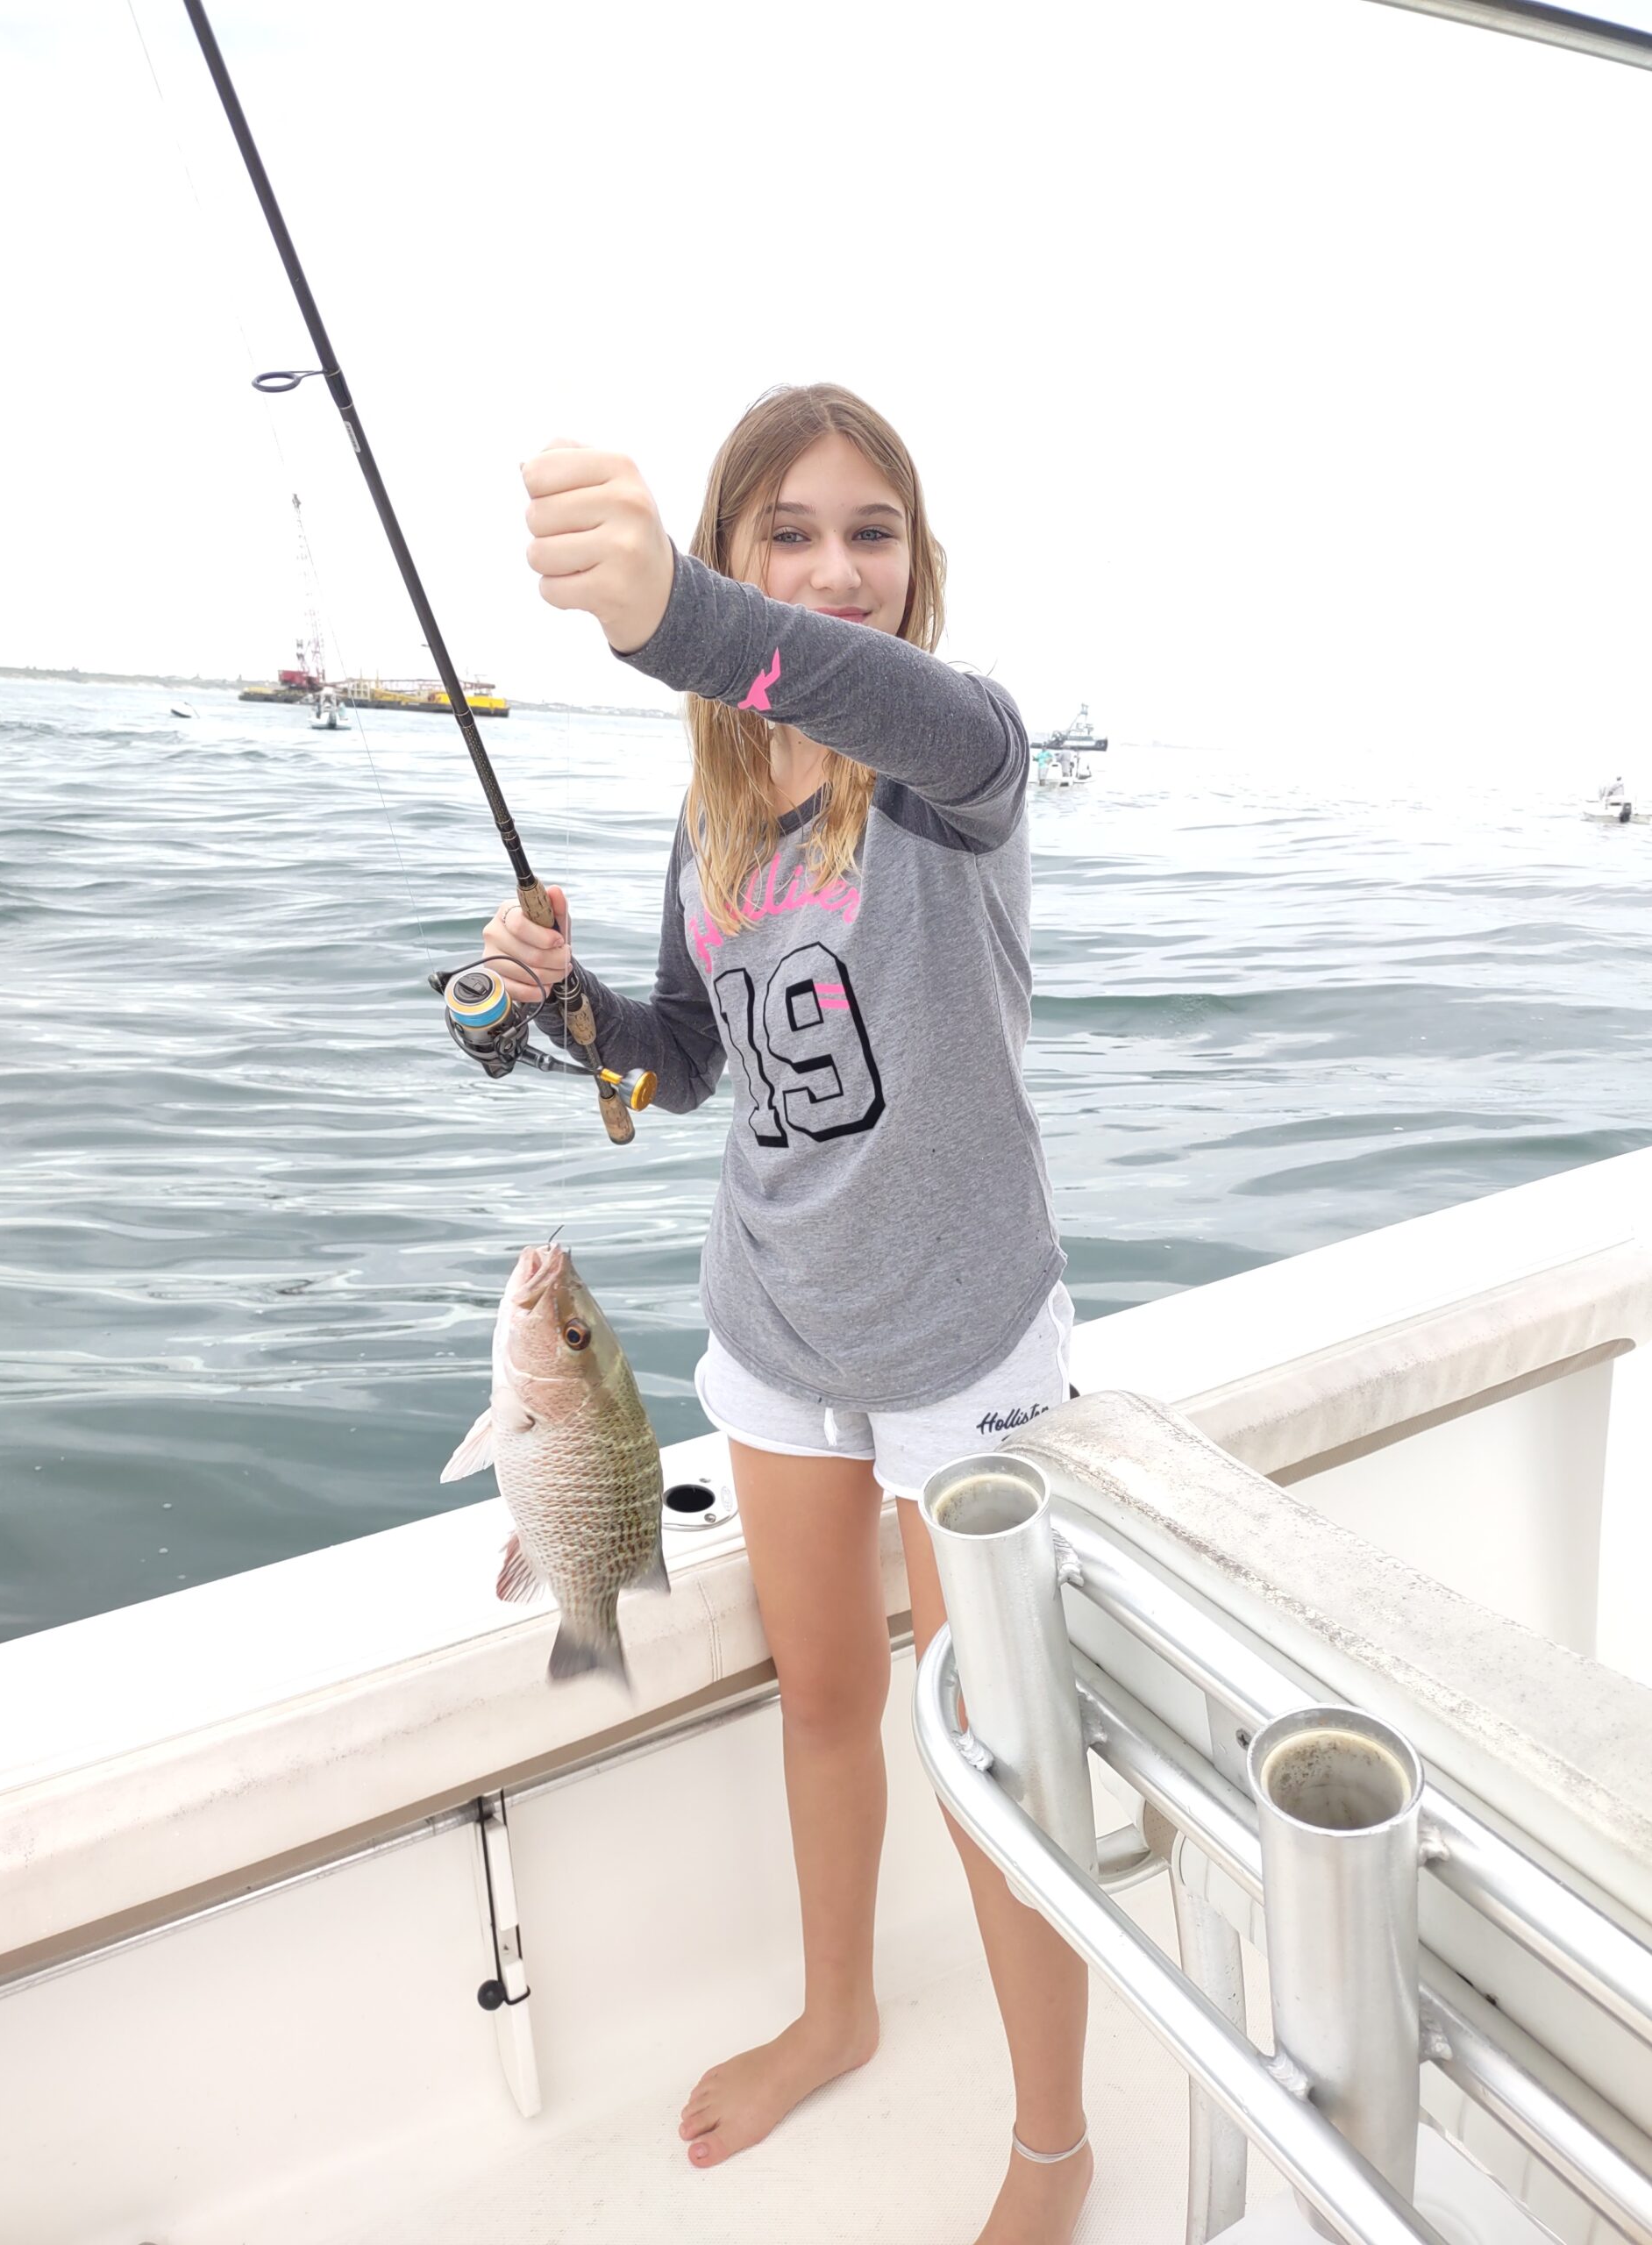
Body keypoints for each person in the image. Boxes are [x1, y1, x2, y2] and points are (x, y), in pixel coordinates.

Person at [487, 384, 1089, 2245]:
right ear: (753, 547)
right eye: (791, 534)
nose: (836, 564)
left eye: (872, 530)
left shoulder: (956, 757)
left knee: (994, 1744)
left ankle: (1054, 2141)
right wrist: (565, 1003)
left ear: (916, 570)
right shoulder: (711, 816)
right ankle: (839, 2008)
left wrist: (673, 603)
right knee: (825, 1693)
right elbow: (691, 1057)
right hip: (775, 1326)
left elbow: (835, 681)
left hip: (966, 1335)